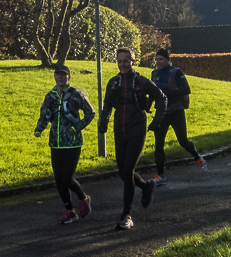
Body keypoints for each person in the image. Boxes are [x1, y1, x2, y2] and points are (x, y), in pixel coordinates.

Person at [98, 47, 167, 231]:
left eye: (126, 61)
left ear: (133, 62)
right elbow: (107, 106)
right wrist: (103, 123)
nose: (123, 64)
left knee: (128, 170)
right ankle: (146, 186)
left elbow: (161, 99)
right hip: (119, 131)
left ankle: (126, 215)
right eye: (120, 61)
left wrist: (157, 121)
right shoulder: (113, 83)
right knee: (122, 172)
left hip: (137, 129)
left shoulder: (142, 81)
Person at [34, 65, 95, 224]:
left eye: (63, 75)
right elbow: (44, 114)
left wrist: (77, 127)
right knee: (59, 179)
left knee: (67, 178)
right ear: (54, 76)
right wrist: (39, 129)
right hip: (55, 142)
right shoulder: (51, 96)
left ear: (69, 77)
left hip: (72, 142)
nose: (60, 77)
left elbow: (90, 113)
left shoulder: (76, 95)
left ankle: (83, 198)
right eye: (58, 75)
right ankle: (69, 210)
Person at [150, 48, 208, 184]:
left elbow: (186, 89)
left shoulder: (176, 72)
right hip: (161, 113)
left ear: (168, 60)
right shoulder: (154, 73)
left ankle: (198, 157)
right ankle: (161, 176)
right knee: (158, 144)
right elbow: (152, 91)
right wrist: (148, 105)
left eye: (161, 59)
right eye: (157, 59)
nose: (158, 62)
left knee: (182, 141)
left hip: (176, 111)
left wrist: (169, 93)